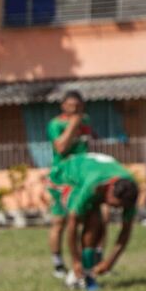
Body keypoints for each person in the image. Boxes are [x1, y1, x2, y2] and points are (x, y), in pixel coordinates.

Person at [51, 152, 139, 291]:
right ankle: (81, 274)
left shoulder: (130, 191)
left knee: (96, 222)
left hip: (90, 172)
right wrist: (75, 260)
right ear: (110, 190)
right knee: (92, 219)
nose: (116, 209)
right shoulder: (93, 184)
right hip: (66, 175)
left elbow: (126, 230)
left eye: (119, 207)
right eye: (114, 205)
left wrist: (110, 263)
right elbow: (72, 223)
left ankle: (86, 274)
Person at [46, 90, 95, 280]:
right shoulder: (56, 124)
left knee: (90, 218)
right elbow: (61, 147)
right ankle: (58, 264)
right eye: (70, 106)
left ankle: (88, 261)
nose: (74, 109)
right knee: (60, 221)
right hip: (62, 177)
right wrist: (73, 124)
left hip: (82, 176)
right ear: (63, 106)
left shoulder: (87, 121)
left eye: (78, 106)